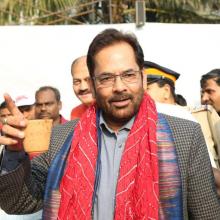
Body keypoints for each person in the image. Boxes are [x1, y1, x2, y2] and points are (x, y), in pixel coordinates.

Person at [0, 28, 219, 220]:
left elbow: (207, 214)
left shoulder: (185, 136)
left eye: (128, 75)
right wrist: (14, 150)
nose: (119, 86)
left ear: (143, 78)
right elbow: (18, 202)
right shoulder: (61, 138)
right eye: (106, 78)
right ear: (93, 86)